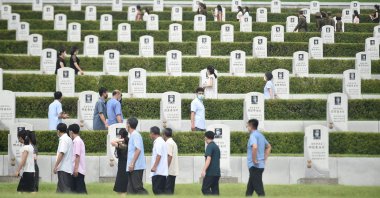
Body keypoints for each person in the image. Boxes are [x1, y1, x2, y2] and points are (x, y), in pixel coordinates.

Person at [245, 119, 271, 197]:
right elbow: (269, 146)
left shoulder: (253, 135)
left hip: (254, 166)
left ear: (251, 126)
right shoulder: (261, 135)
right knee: (250, 188)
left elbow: (255, 147)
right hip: (260, 165)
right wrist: (265, 157)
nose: (247, 127)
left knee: (259, 189)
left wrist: (254, 159)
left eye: (247, 126)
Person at [126, 117, 148, 194]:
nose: (126, 125)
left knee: (137, 188)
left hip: (136, 166)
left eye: (126, 123)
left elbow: (138, 149)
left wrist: (132, 163)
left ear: (128, 124)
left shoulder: (135, 135)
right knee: (130, 190)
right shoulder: (132, 135)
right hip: (133, 166)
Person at [53, 123, 73, 193]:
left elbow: (61, 153)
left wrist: (55, 166)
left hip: (63, 168)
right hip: (67, 168)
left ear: (58, 131)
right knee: (60, 190)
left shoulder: (63, 140)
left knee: (64, 190)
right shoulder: (68, 139)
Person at [68, 124, 87, 194]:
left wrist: (76, 169)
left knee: (80, 191)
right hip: (78, 169)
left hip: (78, 170)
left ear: (71, 132)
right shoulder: (77, 140)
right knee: (76, 190)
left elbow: (77, 155)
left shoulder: (77, 141)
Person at [149, 126, 168, 195]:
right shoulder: (160, 141)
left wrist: (154, 167)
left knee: (157, 190)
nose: (149, 135)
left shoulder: (158, 142)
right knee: (160, 191)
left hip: (158, 171)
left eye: (150, 133)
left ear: (153, 133)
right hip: (160, 171)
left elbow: (158, 155)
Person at [201, 131, 221, 195]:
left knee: (205, 188)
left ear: (206, 137)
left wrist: (204, 170)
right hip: (217, 173)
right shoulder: (216, 147)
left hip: (211, 173)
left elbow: (208, 159)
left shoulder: (209, 146)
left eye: (205, 137)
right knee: (215, 191)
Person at [111, 128, 129, 196]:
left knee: (122, 186)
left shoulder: (123, 145)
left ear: (121, 135)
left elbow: (112, 142)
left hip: (123, 165)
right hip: (123, 165)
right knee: (122, 185)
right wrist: (123, 139)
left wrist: (122, 139)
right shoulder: (126, 142)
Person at [163, 128, 179, 195]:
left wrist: (165, 168)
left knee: (167, 190)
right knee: (170, 189)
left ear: (164, 135)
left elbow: (169, 156)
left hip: (169, 170)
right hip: (173, 169)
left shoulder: (168, 143)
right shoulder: (173, 142)